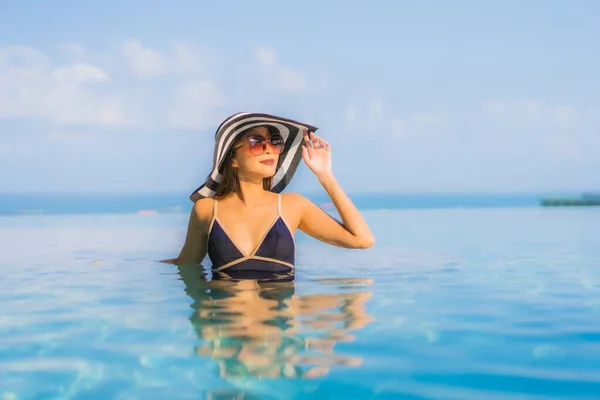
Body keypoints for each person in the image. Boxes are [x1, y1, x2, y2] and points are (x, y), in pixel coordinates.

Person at [167, 112, 375, 281]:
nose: (270, 150)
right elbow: (187, 267)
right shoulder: (207, 209)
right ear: (233, 159)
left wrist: (325, 176)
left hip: (280, 327)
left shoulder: (292, 206)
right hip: (227, 326)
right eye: (257, 142)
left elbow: (363, 240)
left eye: (275, 141)